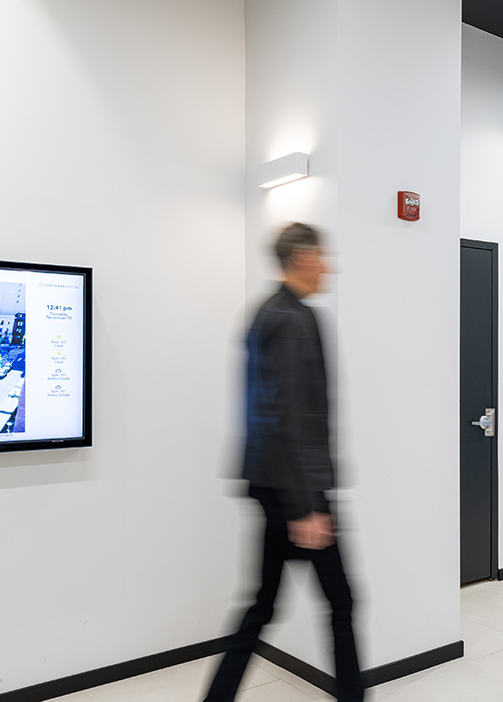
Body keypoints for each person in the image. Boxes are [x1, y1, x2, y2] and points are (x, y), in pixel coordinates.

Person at [205, 223, 363, 702]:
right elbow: (286, 417)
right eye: (322, 255)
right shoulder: (293, 319)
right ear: (302, 258)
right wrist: (306, 507)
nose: (328, 265)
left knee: (261, 607)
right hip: (296, 490)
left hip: (272, 483)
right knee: (340, 602)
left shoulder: (266, 312)